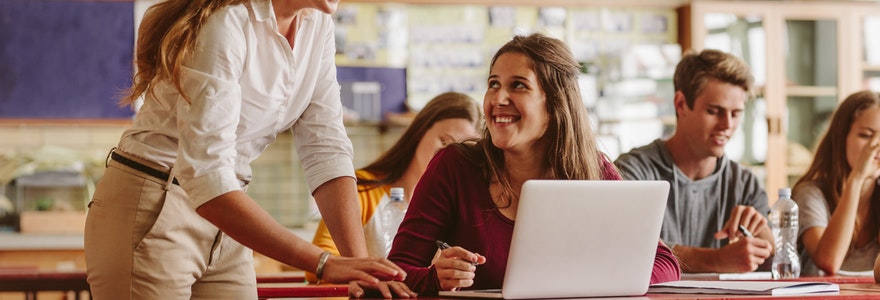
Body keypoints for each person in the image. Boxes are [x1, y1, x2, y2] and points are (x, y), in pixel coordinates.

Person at [83, 0, 414, 299]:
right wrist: (325, 262)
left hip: (228, 213)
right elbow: (206, 174)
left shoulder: (318, 25)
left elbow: (326, 148)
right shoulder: (226, 24)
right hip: (155, 203)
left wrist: (361, 269)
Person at [386, 33, 680, 295]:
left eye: (518, 86)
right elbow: (397, 270)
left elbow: (665, 264)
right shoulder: (455, 166)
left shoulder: (594, 170)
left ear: (554, 105)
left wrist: (597, 280)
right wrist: (435, 279)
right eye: (493, 84)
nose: (498, 98)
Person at [614, 49, 774, 274]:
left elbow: (778, 264)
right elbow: (623, 248)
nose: (727, 124)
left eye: (736, 113)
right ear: (680, 104)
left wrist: (765, 241)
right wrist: (715, 260)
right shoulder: (632, 172)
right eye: (714, 111)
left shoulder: (746, 184)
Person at [306, 91, 481, 282]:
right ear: (420, 132)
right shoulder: (362, 189)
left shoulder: (463, 208)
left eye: (461, 154)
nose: (447, 158)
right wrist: (376, 280)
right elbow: (319, 266)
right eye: (444, 142)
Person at [794, 91, 880, 276]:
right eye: (866, 135)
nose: (876, 145)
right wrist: (856, 179)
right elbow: (829, 263)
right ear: (841, 138)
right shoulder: (810, 194)